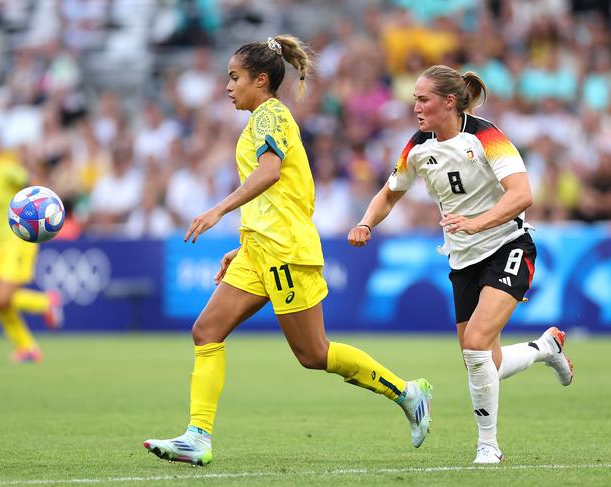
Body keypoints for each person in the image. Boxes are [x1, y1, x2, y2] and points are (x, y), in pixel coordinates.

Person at [143, 35, 433, 466]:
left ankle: (407, 393)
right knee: (206, 332)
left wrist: (218, 210)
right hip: (259, 249)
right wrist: (241, 245)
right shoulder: (259, 120)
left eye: (234, 77)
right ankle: (197, 436)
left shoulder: (270, 117)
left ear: (261, 80)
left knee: (313, 354)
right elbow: (270, 198)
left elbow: (270, 174)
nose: (227, 86)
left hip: (284, 250)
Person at [348, 65, 573, 464]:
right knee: (488, 361)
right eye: (415, 99)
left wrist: (478, 223)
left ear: (448, 102)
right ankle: (545, 347)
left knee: (474, 348)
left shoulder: (487, 136)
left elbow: (522, 194)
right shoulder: (417, 146)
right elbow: (388, 194)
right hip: (463, 260)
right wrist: (366, 222)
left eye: (423, 99)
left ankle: (489, 447)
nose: (415, 106)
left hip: (508, 246)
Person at [0, 130, 63, 363]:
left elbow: (36, 187)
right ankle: (27, 348)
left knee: (3, 298)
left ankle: (47, 302)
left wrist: (42, 214)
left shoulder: (5, 170)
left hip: (17, 239)